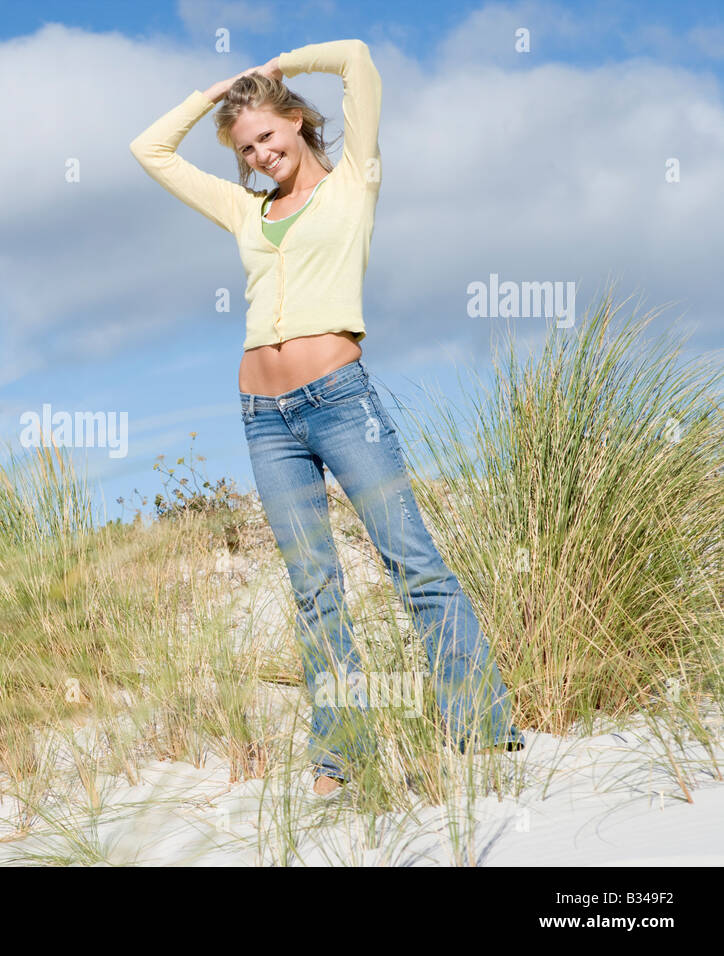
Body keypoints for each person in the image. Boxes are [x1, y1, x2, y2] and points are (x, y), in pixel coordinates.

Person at [129, 39, 525, 797]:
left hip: (341, 400)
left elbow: (359, 61)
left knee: (412, 563)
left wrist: (278, 65)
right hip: (262, 416)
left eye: (268, 136)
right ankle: (341, 756)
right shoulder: (244, 210)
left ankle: (480, 726)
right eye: (245, 148)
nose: (259, 154)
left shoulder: (355, 184)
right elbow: (149, 149)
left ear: (298, 122)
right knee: (314, 587)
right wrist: (214, 92)